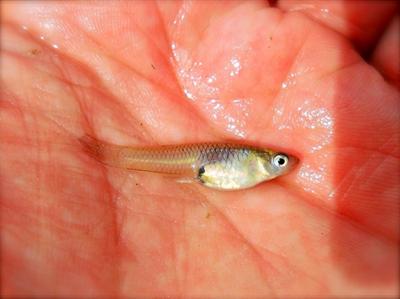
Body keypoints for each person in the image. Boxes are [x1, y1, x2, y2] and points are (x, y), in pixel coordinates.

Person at [1, 1, 399, 297]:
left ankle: (110, 153)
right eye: (280, 161)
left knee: (147, 160)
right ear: (264, 160)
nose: (285, 164)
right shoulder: (252, 161)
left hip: (203, 166)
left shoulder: (253, 163)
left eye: (282, 162)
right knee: (138, 157)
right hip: (201, 164)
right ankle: (107, 152)